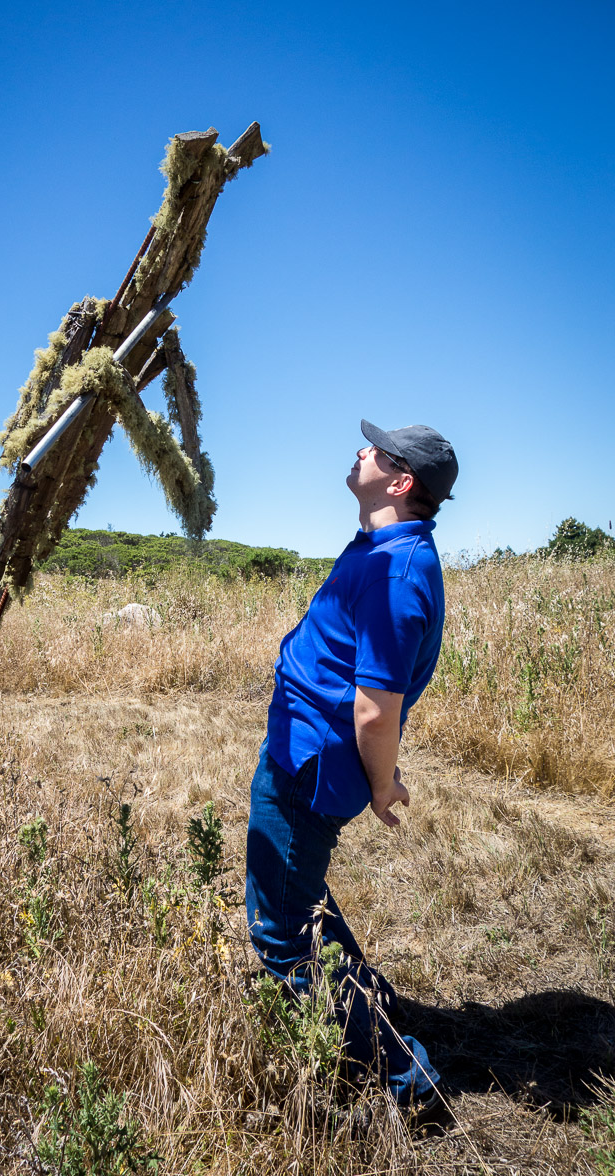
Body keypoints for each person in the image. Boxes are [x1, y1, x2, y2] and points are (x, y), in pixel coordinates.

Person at [245, 418, 459, 1108]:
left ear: (401, 482)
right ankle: (373, 1001)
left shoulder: (398, 573)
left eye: (379, 450)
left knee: (281, 930)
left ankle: (408, 1081)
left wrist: (380, 784)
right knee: (299, 894)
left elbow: (375, 711)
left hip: (314, 766)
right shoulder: (380, 544)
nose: (362, 448)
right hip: (301, 749)